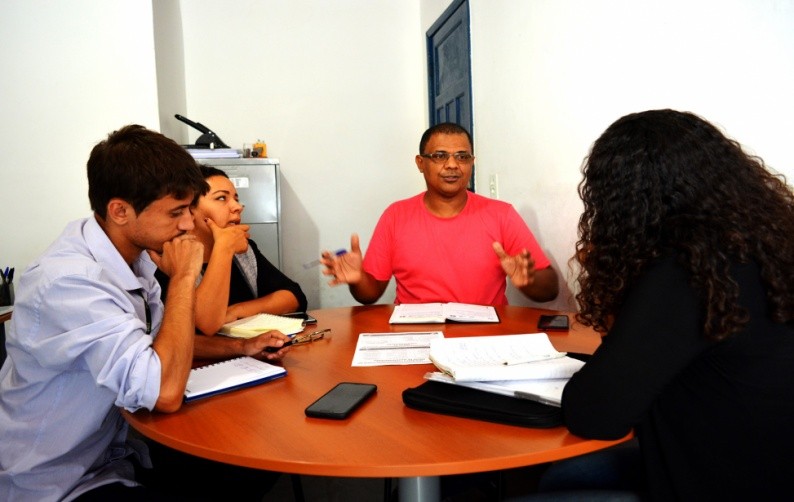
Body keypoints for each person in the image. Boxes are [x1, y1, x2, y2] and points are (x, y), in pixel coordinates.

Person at [534, 109, 794, 501]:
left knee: (553, 486)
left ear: (629, 202)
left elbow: (594, 414)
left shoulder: (689, 272)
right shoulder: (767, 248)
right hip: (766, 466)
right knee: (564, 476)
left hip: (722, 481)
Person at [321, 122, 558, 306]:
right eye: (440, 156)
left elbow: (550, 289)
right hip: (414, 338)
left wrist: (529, 280)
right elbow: (369, 294)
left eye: (462, 157)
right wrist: (357, 279)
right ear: (420, 163)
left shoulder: (501, 214)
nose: (453, 165)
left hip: (484, 339)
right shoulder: (395, 216)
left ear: (472, 163)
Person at [155, 164, 307, 360]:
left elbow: (294, 296)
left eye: (236, 198)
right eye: (221, 198)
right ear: (188, 209)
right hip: (196, 371)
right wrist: (223, 248)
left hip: (251, 362)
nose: (237, 207)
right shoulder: (169, 259)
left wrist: (237, 311)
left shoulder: (243, 250)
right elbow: (206, 324)